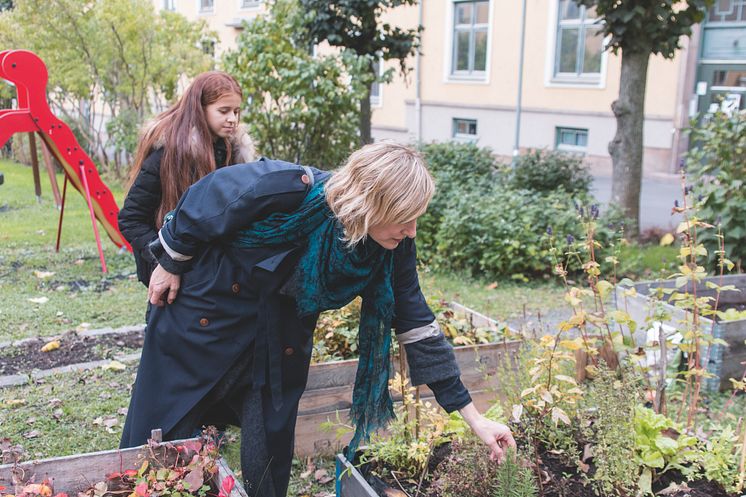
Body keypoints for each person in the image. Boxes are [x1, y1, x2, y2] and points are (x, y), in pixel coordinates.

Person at [120, 142, 516, 497]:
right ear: (370, 204)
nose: (412, 231)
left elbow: (416, 323)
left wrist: (473, 417)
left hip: (278, 339)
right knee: (162, 446)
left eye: (417, 219)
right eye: (404, 218)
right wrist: (171, 261)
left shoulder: (392, 246)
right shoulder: (288, 189)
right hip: (204, 321)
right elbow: (205, 201)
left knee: (269, 455)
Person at [118, 71, 255, 287]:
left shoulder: (233, 153)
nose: (233, 119)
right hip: (173, 278)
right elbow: (131, 219)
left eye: (236, 111)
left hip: (215, 274)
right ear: (200, 109)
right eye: (224, 110)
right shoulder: (166, 155)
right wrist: (167, 262)